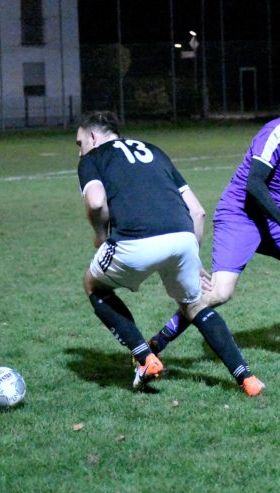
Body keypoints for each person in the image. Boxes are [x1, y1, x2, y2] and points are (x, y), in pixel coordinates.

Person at [150, 87, 280, 360]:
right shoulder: (277, 134)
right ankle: (158, 342)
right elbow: (254, 185)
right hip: (239, 216)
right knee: (219, 294)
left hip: (271, 219)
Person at [76, 111, 264, 396]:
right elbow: (198, 212)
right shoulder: (153, 150)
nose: (79, 150)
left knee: (93, 284)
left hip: (134, 242)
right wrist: (192, 259)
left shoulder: (92, 158)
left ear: (93, 136)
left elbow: (96, 201)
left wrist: (100, 236)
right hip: (182, 238)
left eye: (79, 143)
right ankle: (247, 379)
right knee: (194, 305)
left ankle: (145, 358)